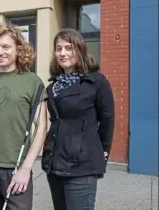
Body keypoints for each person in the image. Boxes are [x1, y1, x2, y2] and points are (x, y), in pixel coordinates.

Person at [0, 24, 48, 210]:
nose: (0, 52)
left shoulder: (32, 82)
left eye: (6, 47)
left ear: (18, 49)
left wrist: (26, 168)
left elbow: (41, 127)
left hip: (15, 168)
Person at [41, 28, 115, 210]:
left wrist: (103, 150)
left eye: (68, 48)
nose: (63, 53)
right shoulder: (53, 86)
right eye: (58, 49)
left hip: (82, 164)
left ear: (80, 49)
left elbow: (107, 119)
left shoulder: (96, 82)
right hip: (55, 162)